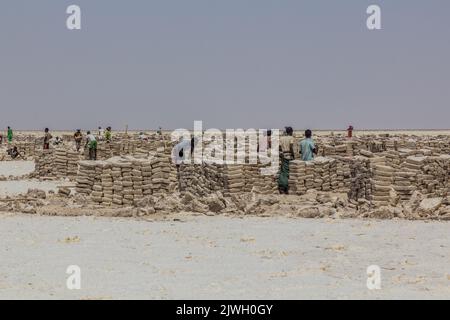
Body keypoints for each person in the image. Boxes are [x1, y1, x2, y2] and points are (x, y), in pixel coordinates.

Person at [278, 127, 295, 194]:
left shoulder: (281, 138)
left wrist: (281, 153)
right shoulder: (291, 138)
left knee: (283, 172)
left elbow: (279, 147)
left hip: (283, 155)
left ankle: (282, 187)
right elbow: (291, 147)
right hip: (289, 155)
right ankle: (285, 187)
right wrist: (293, 155)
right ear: (290, 132)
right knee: (287, 172)